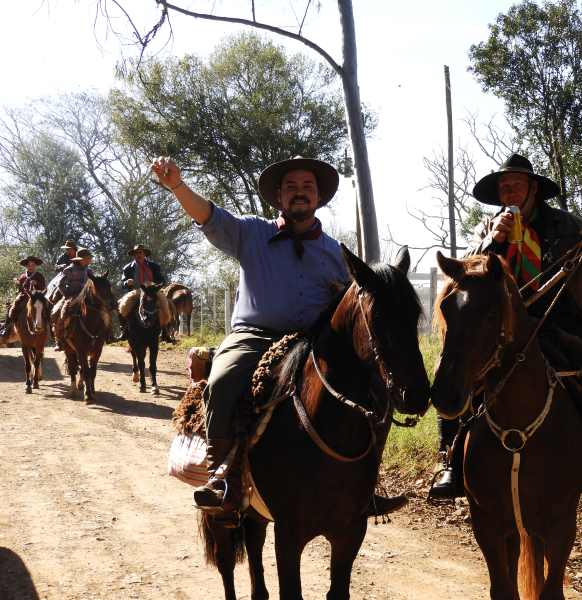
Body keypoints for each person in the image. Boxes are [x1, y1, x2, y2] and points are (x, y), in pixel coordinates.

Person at [150, 154, 409, 525]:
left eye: (307, 187)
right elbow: (208, 214)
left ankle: (365, 484)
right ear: (279, 196)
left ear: (318, 197)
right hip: (256, 335)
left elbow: (354, 304)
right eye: (291, 187)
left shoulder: (337, 253)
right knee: (223, 381)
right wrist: (177, 184)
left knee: (377, 391)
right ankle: (225, 479)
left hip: (316, 341)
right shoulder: (252, 233)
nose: (299, 193)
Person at [429, 153, 582, 513]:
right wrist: (490, 243)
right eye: (503, 187)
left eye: (516, 184)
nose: (509, 191)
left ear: (533, 188)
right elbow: (464, 269)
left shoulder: (566, 223)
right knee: (453, 368)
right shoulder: (488, 227)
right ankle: (449, 467)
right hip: (501, 322)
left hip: (562, 320)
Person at [52, 248, 114, 352]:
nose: (90, 259)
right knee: (58, 313)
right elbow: (61, 285)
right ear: (80, 259)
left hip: (87, 298)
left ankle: (109, 335)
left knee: (104, 312)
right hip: (72, 296)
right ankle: (59, 340)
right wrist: (67, 295)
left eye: (90, 257)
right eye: (88, 258)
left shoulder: (89, 271)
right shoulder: (69, 270)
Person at [116, 244, 174, 343]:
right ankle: (124, 331)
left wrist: (155, 286)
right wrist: (127, 282)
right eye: (137, 253)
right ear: (134, 255)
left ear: (145, 254)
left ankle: (166, 333)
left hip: (152, 291)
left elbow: (161, 280)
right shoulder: (128, 268)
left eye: (141, 253)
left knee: (168, 305)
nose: (139, 255)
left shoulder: (154, 266)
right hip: (135, 292)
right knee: (119, 306)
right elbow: (122, 283)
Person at [0, 256, 47, 337]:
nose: (31, 267)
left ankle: (52, 328)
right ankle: (6, 330)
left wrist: (36, 284)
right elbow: (20, 289)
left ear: (36, 265)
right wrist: (17, 286)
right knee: (12, 308)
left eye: (32, 265)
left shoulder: (39, 275)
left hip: (37, 296)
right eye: (29, 265)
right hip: (24, 296)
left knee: (48, 307)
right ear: (26, 266)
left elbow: (44, 286)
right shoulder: (22, 277)